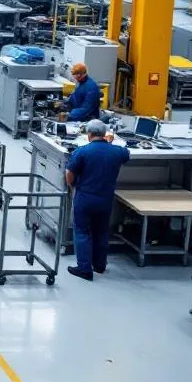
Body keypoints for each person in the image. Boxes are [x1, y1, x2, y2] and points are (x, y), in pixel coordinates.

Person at [64, 119, 130, 281]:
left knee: (82, 231)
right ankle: (100, 265)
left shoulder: (82, 151)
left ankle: (84, 268)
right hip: (105, 199)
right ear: (104, 134)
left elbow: (69, 174)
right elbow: (126, 154)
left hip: (85, 198)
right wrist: (110, 143)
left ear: (89, 134)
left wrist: (72, 185)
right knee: (101, 231)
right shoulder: (117, 151)